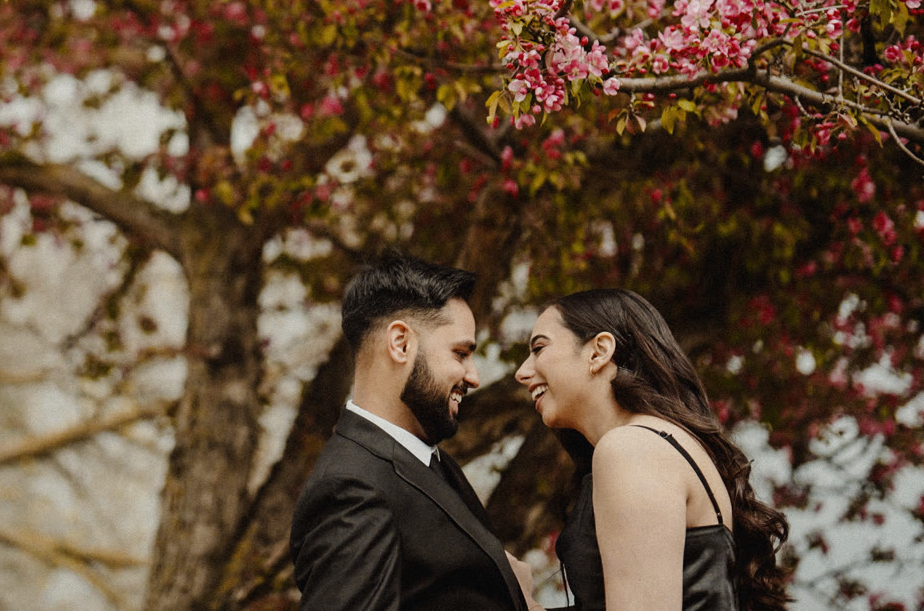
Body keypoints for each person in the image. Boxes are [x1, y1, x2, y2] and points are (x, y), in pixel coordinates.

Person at [513, 288, 790, 611]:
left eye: (539, 348)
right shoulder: (653, 445)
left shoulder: (632, 449)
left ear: (599, 351)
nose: (522, 372)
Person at [291, 248, 535, 611]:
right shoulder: (351, 488)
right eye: (460, 353)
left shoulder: (434, 464)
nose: (474, 377)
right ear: (401, 343)